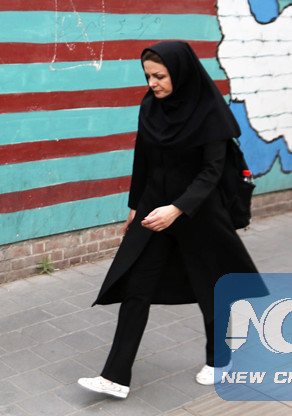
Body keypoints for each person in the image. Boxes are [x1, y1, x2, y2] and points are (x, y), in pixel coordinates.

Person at [77, 40, 262, 399]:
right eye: (148, 76)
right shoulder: (151, 106)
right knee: (136, 287)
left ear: (180, 72)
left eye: (160, 76)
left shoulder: (209, 111)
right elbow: (142, 158)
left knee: (211, 287)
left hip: (199, 213)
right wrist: (135, 206)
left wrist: (177, 209)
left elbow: (211, 171)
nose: (153, 83)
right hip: (154, 210)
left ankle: (219, 359)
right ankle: (115, 376)